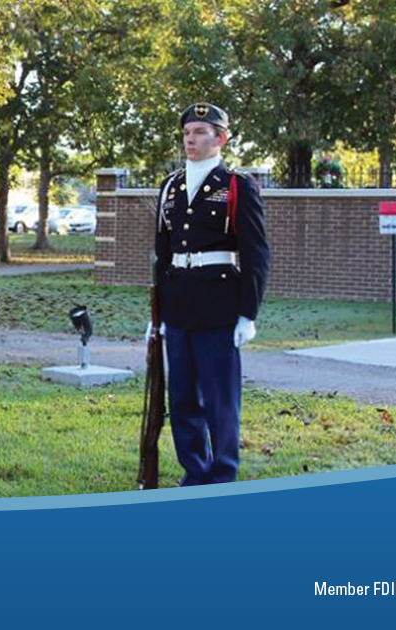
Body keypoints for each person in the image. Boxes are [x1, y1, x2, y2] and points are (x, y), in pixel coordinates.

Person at [152, 103, 270, 485]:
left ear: (221, 139)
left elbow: (256, 254)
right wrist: (157, 315)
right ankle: (195, 472)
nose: (191, 138)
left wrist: (247, 314)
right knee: (183, 398)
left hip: (219, 304)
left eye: (201, 131)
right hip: (179, 303)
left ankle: (222, 476)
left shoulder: (236, 185)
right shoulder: (170, 186)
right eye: (187, 131)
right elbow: (163, 253)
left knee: (220, 402)